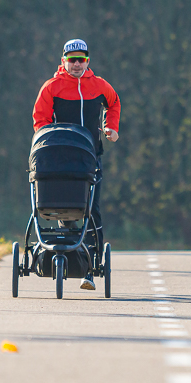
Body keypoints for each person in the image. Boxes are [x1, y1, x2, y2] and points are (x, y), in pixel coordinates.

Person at [32, 39, 120, 290]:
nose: (77, 64)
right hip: (59, 160)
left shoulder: (100, 85)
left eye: (81, 59)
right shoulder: (52, 87)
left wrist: (111, 127)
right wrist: (49, 140)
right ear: (63, 62)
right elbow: (40, 119)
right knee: (64, 209)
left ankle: (91, 266)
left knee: (92, 209)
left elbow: (114, 103)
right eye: (72, 60)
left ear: (87, 61)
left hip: (91, 159)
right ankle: (70, 258)